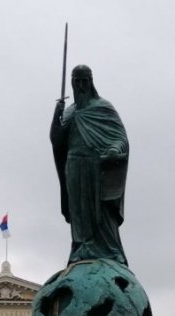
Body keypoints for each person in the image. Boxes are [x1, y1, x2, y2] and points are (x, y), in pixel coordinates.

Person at [50, 64, 130, 265]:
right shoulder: (69, 112)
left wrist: (114, 149)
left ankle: (110, 250)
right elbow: (57, 141)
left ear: (91, 82)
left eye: (84, 81)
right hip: (74, 166)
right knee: (79, 211)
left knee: (101, 211)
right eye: (76, 82)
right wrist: (56, 116)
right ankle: (81, 248)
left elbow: (120, 138)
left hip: (97, 166)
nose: (80, 86)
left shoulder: (103, 107)